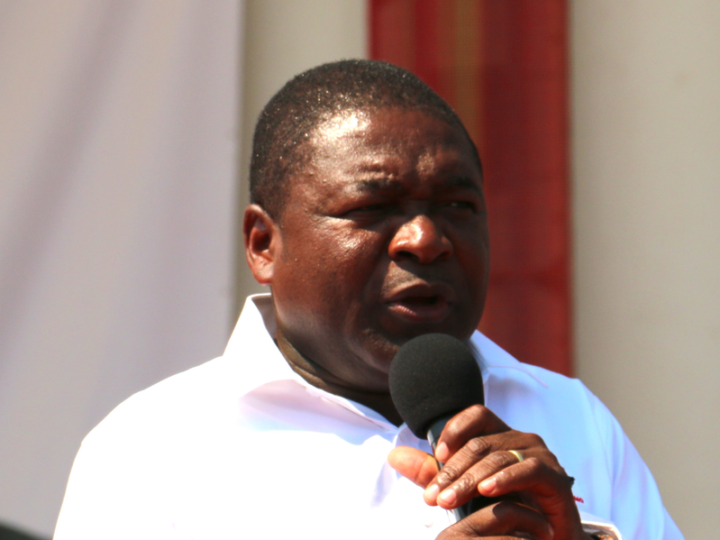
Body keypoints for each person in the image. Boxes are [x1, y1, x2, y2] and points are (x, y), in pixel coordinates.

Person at [54, 60, 682, 540]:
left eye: (457, 205)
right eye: (373, 207)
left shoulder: (572, 418)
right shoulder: (151, 449)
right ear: (264, 244)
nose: (426, 239)